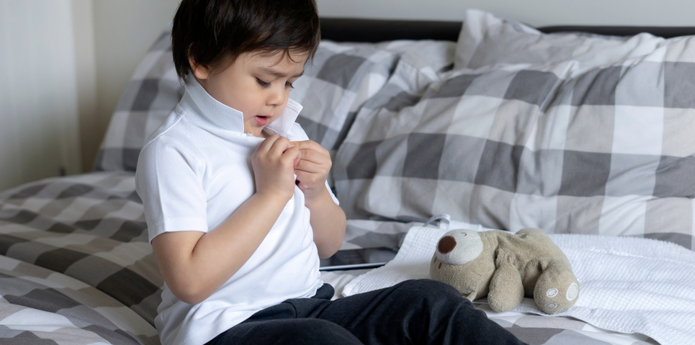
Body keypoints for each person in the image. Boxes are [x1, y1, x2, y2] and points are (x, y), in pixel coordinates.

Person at [135, 0, 528, 344]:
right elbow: (189, 282)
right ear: (201, 60)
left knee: (429, 301)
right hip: (223, 329)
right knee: (321, 339)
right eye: (264, 80)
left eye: (290, 83)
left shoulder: (283, 131)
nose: (278, 98)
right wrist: (270, 196)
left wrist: (317, 192)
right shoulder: (173, 150)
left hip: (311, 307)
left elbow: (329, 244)